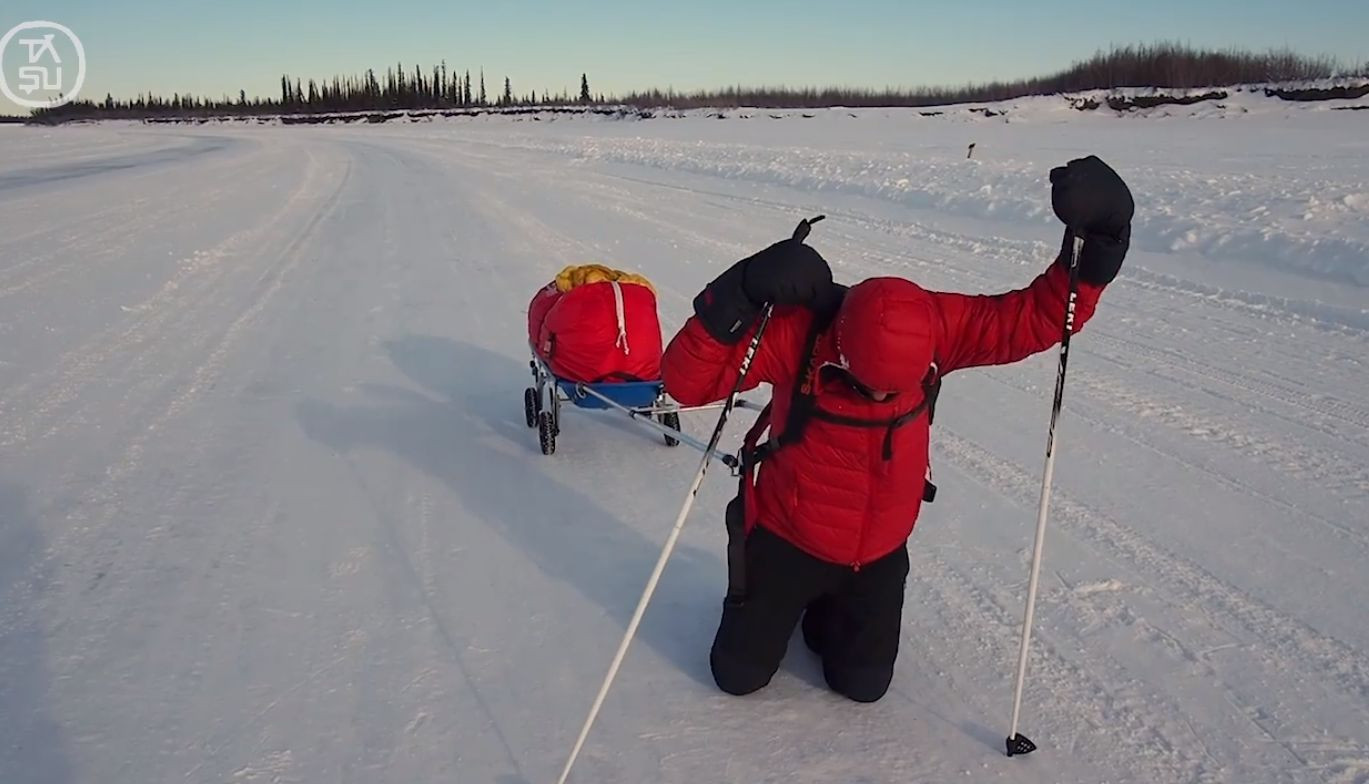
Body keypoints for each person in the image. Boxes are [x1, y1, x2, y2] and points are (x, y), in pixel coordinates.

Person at [661, 156, 1134, 703]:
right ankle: (782, 606)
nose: (884, 396)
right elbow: (684, 381)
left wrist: (1103, 245)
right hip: (788, 541)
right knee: (736, 678)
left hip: (877, 554)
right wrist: (737, 290)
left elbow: (1035, 318)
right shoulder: (799, 334)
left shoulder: (939, 326)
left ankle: (826, 614)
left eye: (898, 389)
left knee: (863, 687)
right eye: (868, 386)